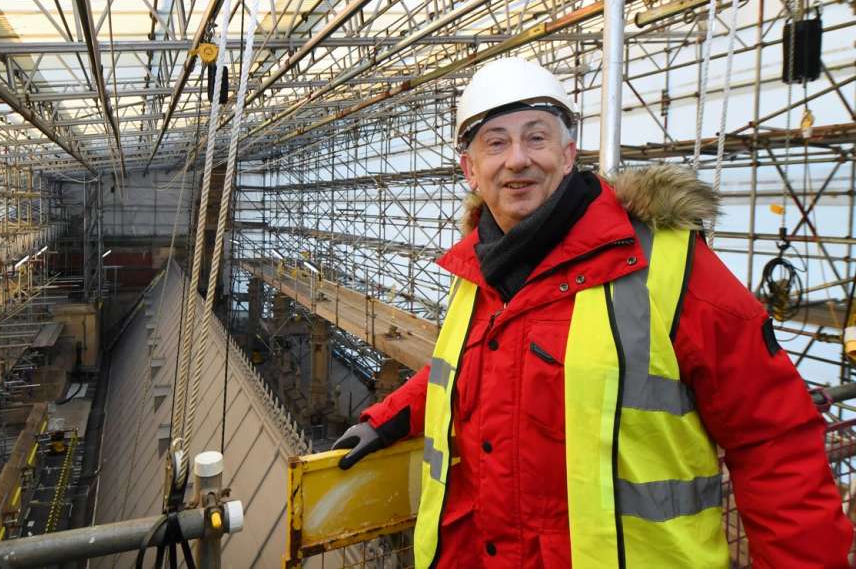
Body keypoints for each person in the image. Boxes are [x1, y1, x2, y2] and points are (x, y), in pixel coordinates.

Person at [331, 57, 852, 568]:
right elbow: (471, 364)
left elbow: (774, 444)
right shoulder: (479, 269)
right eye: (496, 143)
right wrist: (389, 417)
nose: (517, 159)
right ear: (470, 169)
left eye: (536, 137)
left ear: (567, 152)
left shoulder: (666, 267)